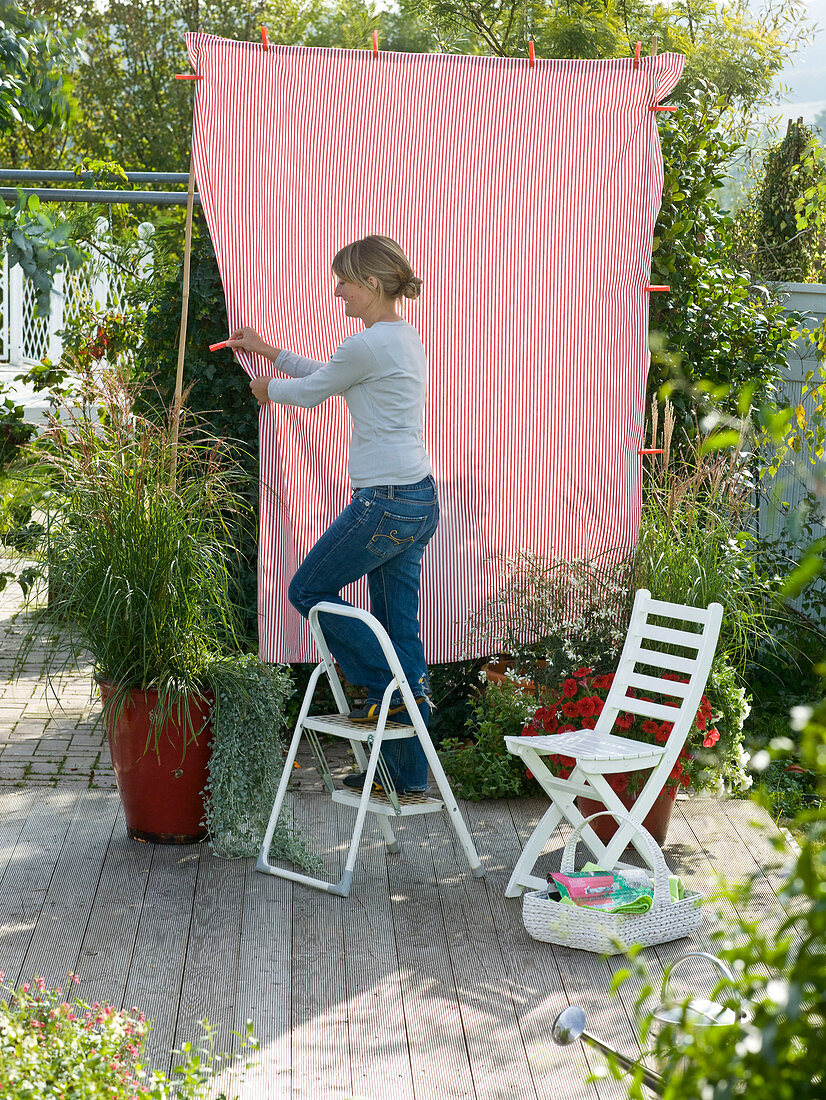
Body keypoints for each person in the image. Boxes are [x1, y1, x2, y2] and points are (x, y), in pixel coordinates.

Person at [226, 234, 437, 795]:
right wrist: (271, 352)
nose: (336, 289)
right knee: (399, 629)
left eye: (343, 279)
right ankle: (406, 775)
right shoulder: (397, 337)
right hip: (415, 497)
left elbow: (313, 392)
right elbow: (332, 373)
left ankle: (395, 693)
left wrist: (265, 387)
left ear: (369, 283)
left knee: (306, 590)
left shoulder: (370, 344)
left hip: (384, 502)